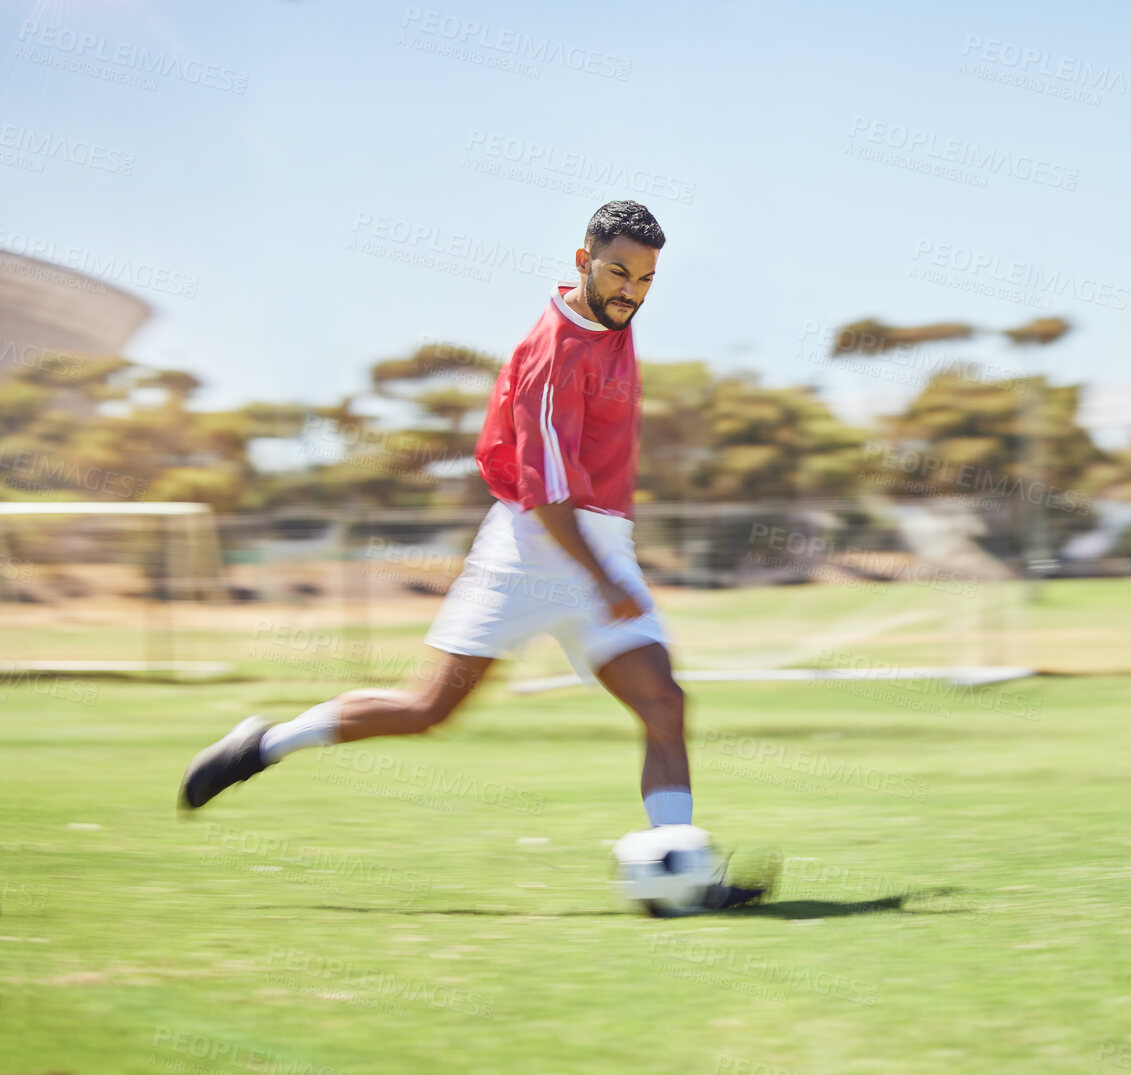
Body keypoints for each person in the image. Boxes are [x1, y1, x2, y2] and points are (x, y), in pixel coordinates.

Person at [179, 200, 765, 911]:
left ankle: (681, 878)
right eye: (616, 273)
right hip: (534, 548)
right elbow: (547, 498)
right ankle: (262, 745)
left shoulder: (612, 320)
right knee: (428, 707)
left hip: (599, 544)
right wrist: (604, 578)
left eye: (644, 279)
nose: (630, 292)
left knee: (663, 702)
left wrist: (609, 564)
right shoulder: (552, 355)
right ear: (582, 263)